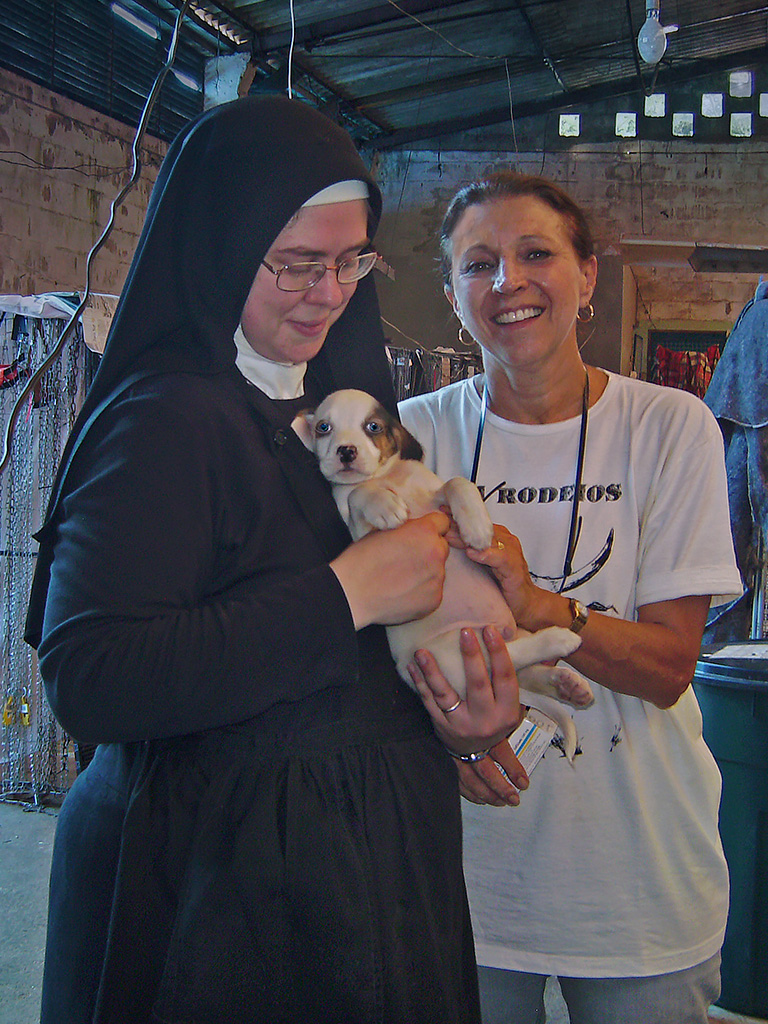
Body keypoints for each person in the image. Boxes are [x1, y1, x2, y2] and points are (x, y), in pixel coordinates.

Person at [24, 97, 523, 1024]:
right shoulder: (163, 420)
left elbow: (351, 675)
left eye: (351, 260)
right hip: (217, 908)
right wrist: (345, 594)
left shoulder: (351, 414)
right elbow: (91, 679)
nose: (329, 292)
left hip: (366, 885)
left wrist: (453, 717)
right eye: (296, 263)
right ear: (221, 243)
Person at [399, 171, 743, 1024]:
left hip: (639, 892)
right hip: (465, 891)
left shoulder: (669, 428)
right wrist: (443, 727)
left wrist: (540, 604)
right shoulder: (414, 435)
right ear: (452, 293)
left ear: (588, 276)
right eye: (478, 264)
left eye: (535, 254)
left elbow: (667, 667)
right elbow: (370, 640)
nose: (507, 282)